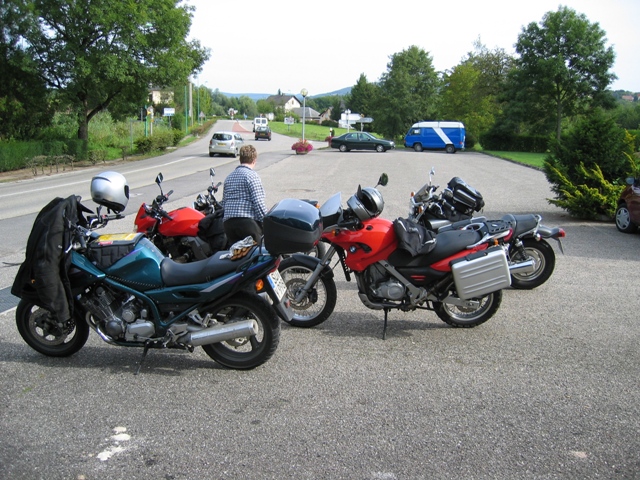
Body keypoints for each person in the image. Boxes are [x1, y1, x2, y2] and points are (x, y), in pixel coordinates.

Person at [221, 144, 268, 245]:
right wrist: (267, 221)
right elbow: (258, 203)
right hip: (246, 222)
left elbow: (224, 203)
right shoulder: (252, 176)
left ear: (240, 159)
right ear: (254, 160)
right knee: (257, 251)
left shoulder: (229, 177)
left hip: (228, 223)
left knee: (236, 252)